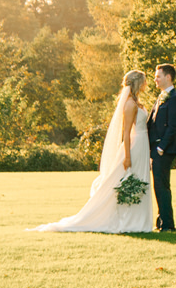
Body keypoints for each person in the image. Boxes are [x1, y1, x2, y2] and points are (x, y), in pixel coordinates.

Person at [31, 69, 152, 234]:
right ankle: (128, 220)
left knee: (139, 180)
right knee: (124, 182)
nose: (146, 84)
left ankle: (138, 220)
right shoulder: (130, 104)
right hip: (135, 147)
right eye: (144, 81)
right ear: (138, 83)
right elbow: (126, 132)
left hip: (143, 147)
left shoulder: (137, 103)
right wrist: (128, 156)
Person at [147, 63, 176, 233]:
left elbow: (173, 126)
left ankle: (168, 225)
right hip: (156, 148)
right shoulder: (161, 96)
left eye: (158, 76)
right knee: (159, 185)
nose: (155, 79)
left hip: (165, 149)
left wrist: (161, 147)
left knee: (162, 185)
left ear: (168, 77)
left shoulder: (175, 98)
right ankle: (162, 222)